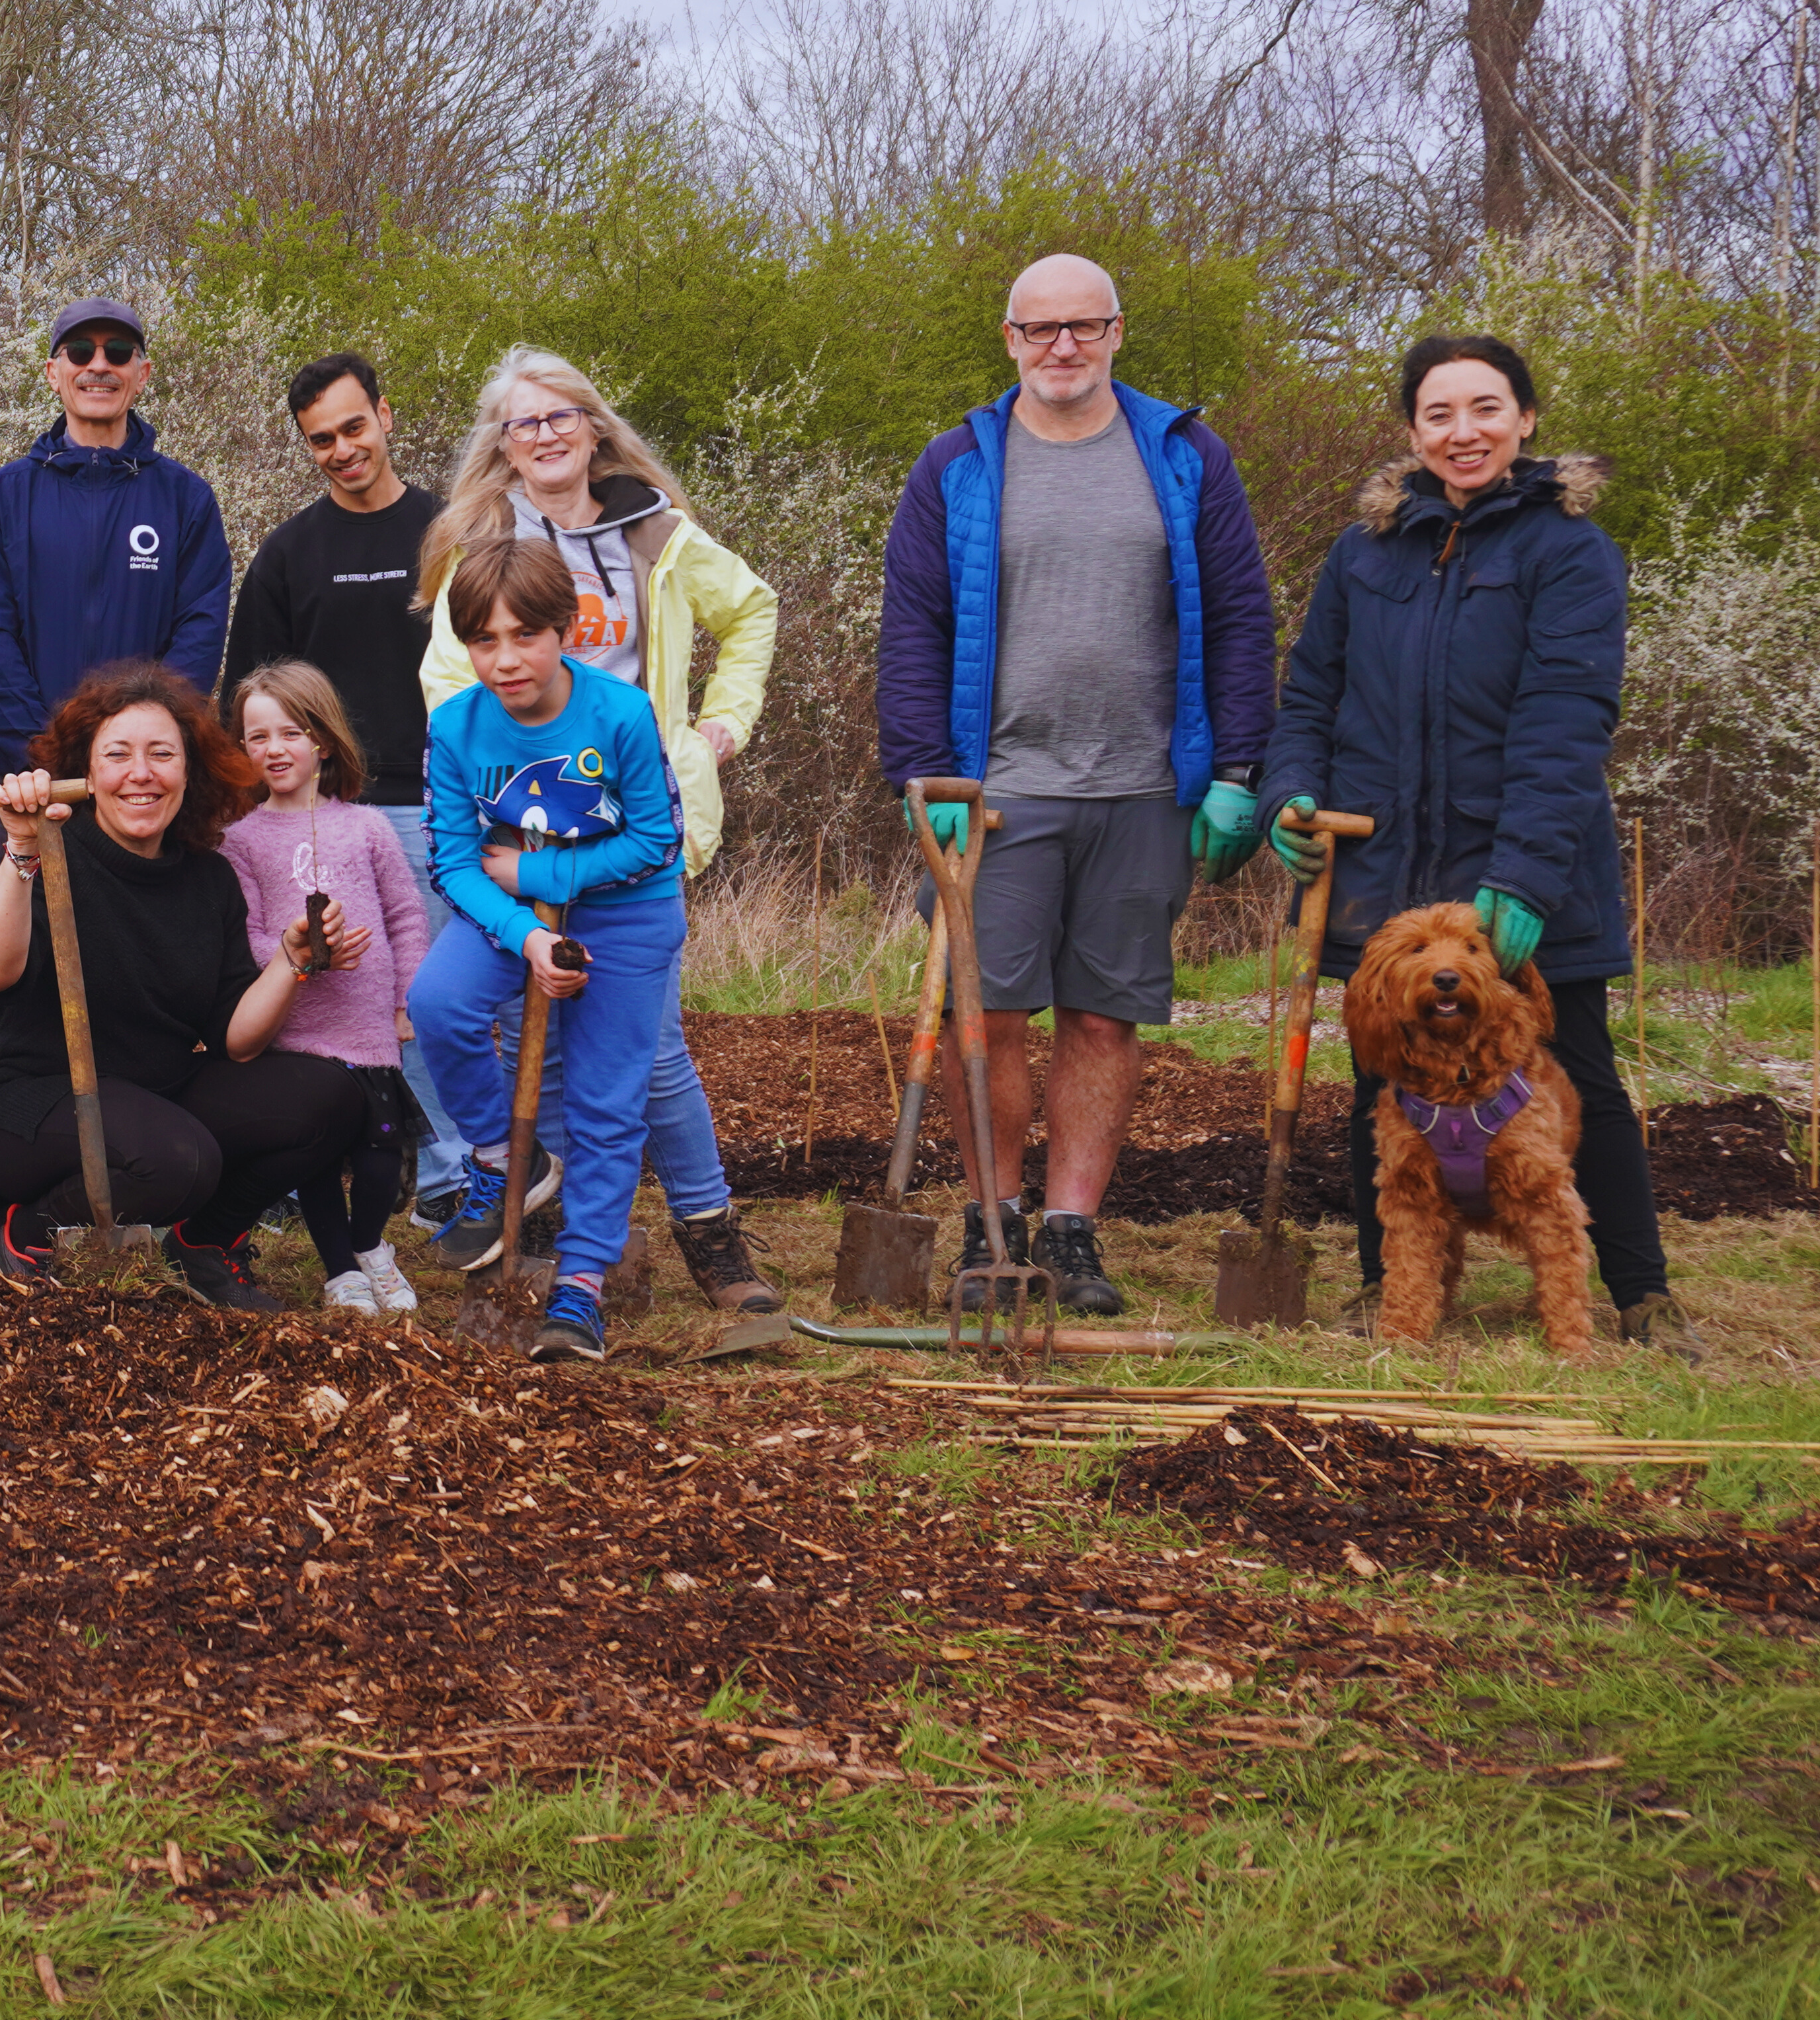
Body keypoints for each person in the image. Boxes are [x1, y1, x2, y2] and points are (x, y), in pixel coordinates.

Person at [1262, 333, 1692, 1357]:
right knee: (1385, 1074)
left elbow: (1564, 721)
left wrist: (1526, 877)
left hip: (1529, 866)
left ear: (1526, 419)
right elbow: (1310, 693)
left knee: (1576, 1067)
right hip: (1384, 869)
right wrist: (1289, 794)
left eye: (1486, 409)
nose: (1465, 433)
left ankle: (1641, 1295)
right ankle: (1392, 1288)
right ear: (1412, 431)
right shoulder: (1364, 553)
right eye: (1441, 415)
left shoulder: (1569, 552)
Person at [877, 252, 1279, 1313]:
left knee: (1104, 1018)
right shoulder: (959, 462)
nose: (1064, 346)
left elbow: (1241, 615)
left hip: (1145, 786)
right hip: (994, 789)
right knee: (989, 1017)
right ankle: (991, 1226)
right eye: (1042, 328)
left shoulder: (1186, 457)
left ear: (1115, 333)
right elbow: (913, 628)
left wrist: (1239, 766)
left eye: (1085, 327)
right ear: (1009, 340)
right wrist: (925, 777)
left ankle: (1071, 1233)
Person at [411, 346, 785, 1319]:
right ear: (502, 443)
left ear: (593, 424)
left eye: (560, 416)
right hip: (520, 820)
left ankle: (710, 1241)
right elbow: (449, 681)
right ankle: (550, 1227)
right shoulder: (480, 538)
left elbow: (750, 610)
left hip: (629, 820)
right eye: (523, 423)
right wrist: (503, 803)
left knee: (645, 1048)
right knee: (518, 1028)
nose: (544, 435)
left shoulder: (654, 531)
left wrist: (720, 727)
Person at [0, 660, 368, 1313]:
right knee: (181, 1161)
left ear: (191, 770)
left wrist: (290, 963)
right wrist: (21, 850)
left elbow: (235, 1040)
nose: (141, 773)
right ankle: (27, 1227)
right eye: (118, 755)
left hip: (155, 1094)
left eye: (162, 754)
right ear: (87, 772)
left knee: (333, 1096)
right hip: (35, 1107)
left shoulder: (207, 881)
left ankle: (203, 1248)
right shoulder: (52, 852)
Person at [407, 539, 688, 1363]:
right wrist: (529, 933)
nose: (505, 660)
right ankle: (502, 1162)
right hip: (514, 914)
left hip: (627, 913)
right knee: (440, 1002)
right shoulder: (456, 727)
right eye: (484, 641)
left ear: (565, 630)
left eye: (524, 636)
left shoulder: (620, 713)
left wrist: (541, 869)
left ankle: (581, 1288)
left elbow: (658, 841)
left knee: (605, 1099)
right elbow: (454, 861)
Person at [224, 351, 470, 1215]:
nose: (341, 450)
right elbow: (245, 693)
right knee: (316, 989)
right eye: (321, 439)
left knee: (425, 994)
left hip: (436, 804)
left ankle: (446, 1178)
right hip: (318, 813)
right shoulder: (290, 555)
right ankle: (305, 1164)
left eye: (353, 427)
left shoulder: (450, 534)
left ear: (387, 417)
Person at [0, 296, 230, 859]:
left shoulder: (187, 500)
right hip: (30, 783)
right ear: (54, 373)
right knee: (19, 944)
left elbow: (199, 638)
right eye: (80, 351)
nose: (98, 365)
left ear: (142, 373)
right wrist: (45, 756)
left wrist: (135, 759)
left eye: (118, 351)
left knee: (146, 945)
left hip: (143, 791)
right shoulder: (2, 497)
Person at [217, 661, 430, 1313]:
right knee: (318, 1157)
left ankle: (369, 1245)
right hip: (301, 1027)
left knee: (379, 1158)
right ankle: (341, 1272)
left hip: (368, 1023)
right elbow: (249, 936)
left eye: (290, 733)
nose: (274, 749)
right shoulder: (242, 839)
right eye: (258, 737)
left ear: (323, 741)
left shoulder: (366, 827)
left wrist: (407, 998)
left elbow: (405, 915)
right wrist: (297, 955)